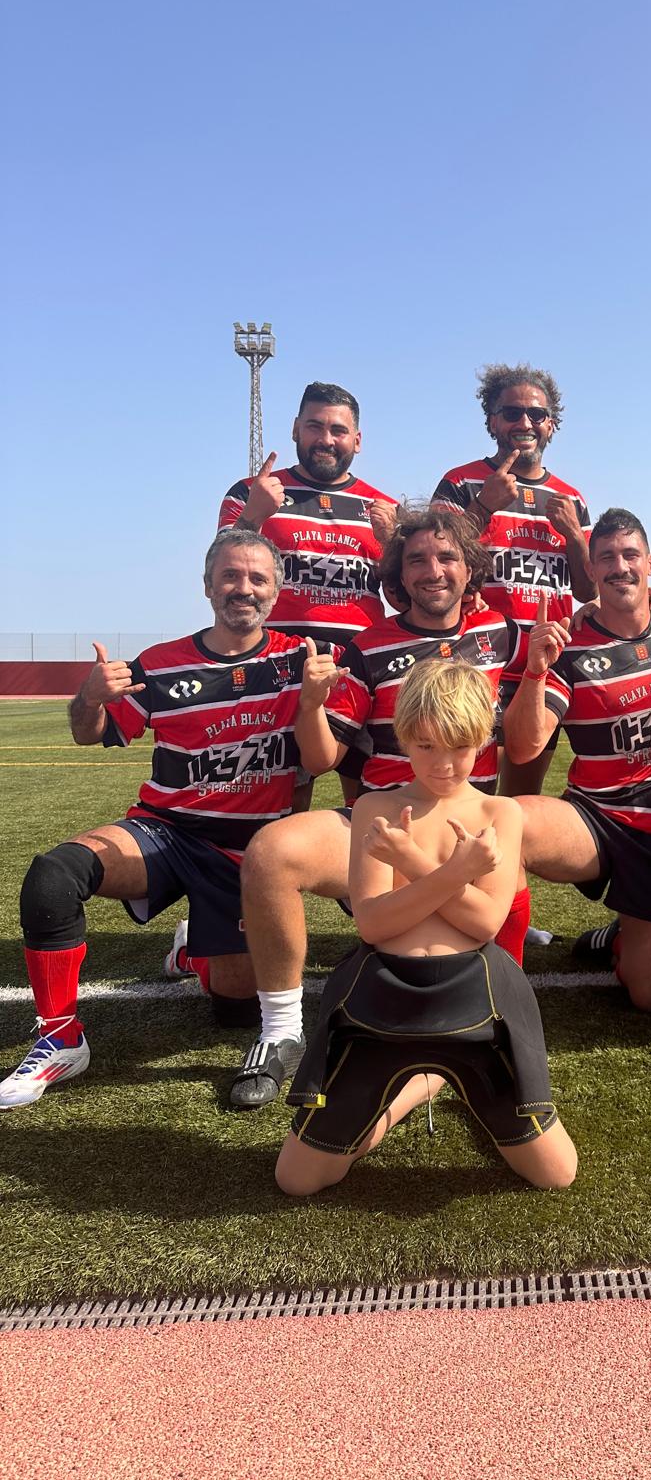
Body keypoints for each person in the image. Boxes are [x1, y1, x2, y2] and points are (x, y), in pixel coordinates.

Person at [0, 532, 322, 1109]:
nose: (241, 588)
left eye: (256, 578)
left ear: (277, 590)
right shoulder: (162, 664)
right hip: (166, 831)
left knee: (233, 1010)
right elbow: (89, 732)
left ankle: (190, 951)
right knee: (54, 874)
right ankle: (59, 1038)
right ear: (207, 586)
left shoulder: (303, 659)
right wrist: (91, 697)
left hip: (250, 854)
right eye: (229, 576)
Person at [228, 508, 530, 1110]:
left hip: (473, 811)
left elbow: (523, 745)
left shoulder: (508, 635)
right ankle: (283, 1026)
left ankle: (504, 995)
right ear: (398, 571)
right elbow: (321, 759)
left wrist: (541, 673)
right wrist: (312, 705)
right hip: (382, 821)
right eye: (416, 558)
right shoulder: (368, 648)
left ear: (470, 568)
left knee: (532, 828)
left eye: (446, 557)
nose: (433, 570)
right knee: (270, 853)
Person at [276, 660, 576, 1196]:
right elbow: (372, 925)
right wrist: (458, 873)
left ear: (483, 737)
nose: (443, 764)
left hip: (476, 1000)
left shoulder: (500, 812)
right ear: (404, 737)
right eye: (426, 746)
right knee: (297, 1180)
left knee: (557, 1175)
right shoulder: (375, 807)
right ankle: (418, 1087)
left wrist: (415, 862)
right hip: (382, 999)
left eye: (459, 747)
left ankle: (450, 1077)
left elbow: (485, 924)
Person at [504, 508, 651, 1012]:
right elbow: (522, 748)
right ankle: (499, 985)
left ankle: (621, 935)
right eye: (606, 557)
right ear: (592, 569)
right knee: (503, 821)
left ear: (650, 563)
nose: (619, 567)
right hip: (595, 821)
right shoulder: (569, 646)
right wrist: (535, 671)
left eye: (629, 555)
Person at [217, 379, 398, 807]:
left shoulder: (382, 507)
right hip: (281, 671)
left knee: (370, 811)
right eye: (315, 427)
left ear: (357, 440)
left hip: (361, 673)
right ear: (296, 429)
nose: (326, 439)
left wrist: (393, 544)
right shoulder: (251, 493)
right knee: (282, 812)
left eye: (338, 430)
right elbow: (221, 575)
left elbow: (406, 600)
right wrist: (253, 517)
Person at [433, 362, 595, 797]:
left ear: (552, 425)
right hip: (475, 660)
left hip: (543, 664)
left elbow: (587, 589)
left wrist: (576, 538)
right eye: (511, 413)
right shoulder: (461, 481)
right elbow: (432, 562)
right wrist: (483, 506)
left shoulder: (571, 498)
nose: (525, 423)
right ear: (492, 420)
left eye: (536, 415)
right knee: (463, 797)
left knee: (521, 801)